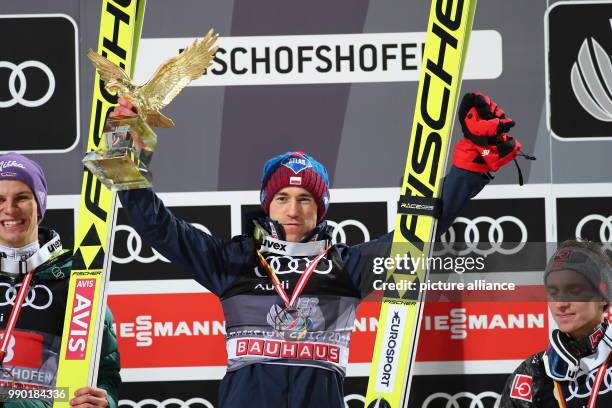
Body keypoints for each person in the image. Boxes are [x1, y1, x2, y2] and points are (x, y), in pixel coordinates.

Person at [113, 91, 521, 407]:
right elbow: (160, 229)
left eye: (305, 199)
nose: (293, 210)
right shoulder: (234, 261)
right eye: (283, 198)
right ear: (267, 204)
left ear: (320, 207)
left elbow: (417, 235)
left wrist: (469, 167)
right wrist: (126, 160)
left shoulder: (348, 266)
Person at [0, 153, 121, 408]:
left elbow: (105, 374)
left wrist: (104, 401)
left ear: (40, 204)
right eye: (0, 199)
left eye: (22, 197)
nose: (9, 209)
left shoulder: (75, 281)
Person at [500, 240, 612, 407]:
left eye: (574, 290)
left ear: (603, 296)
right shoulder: (530, 376)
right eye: (553, 292)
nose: (560, 303)